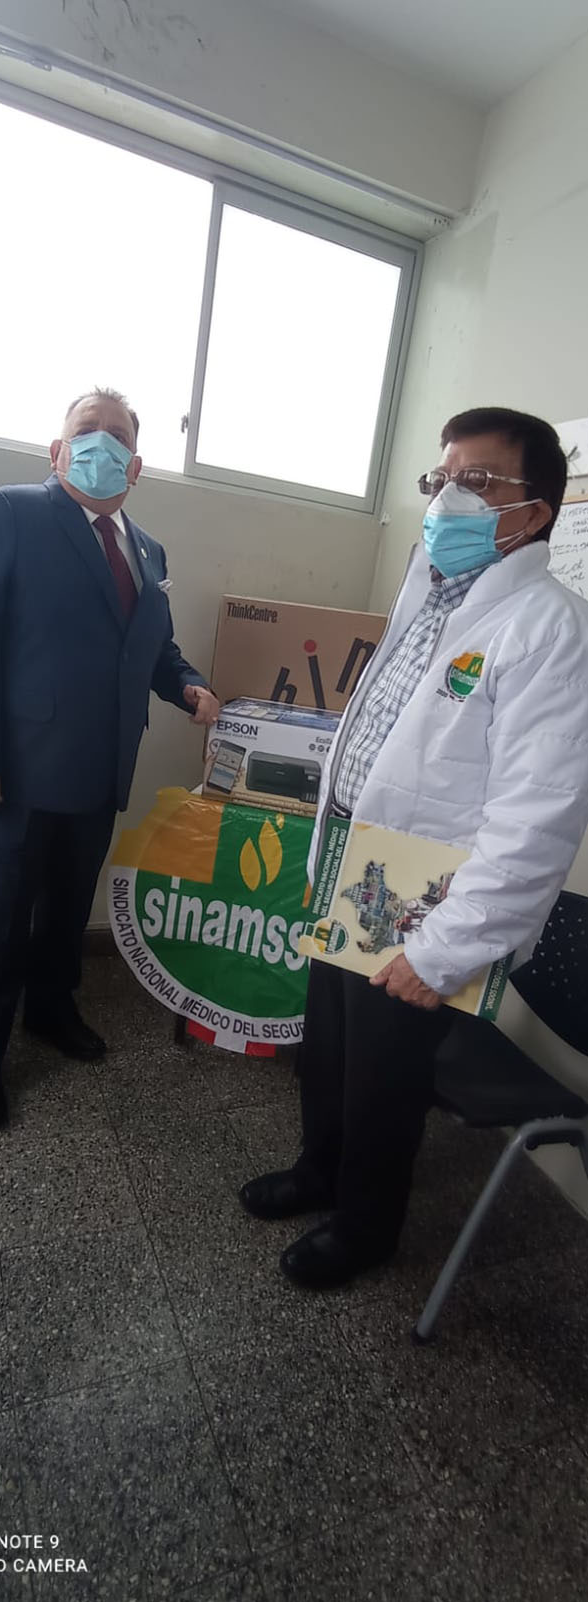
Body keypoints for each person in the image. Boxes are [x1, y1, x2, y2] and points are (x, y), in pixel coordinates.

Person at [241, 406, 588, 1289]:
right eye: (442, 478)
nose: (446, 498)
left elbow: (537, 817)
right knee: (329, 1045)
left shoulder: (550, 627)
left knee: (385, 1075)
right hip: (358, 866)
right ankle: (321, 1170)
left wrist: (443, 951)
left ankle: (367, 1227)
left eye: (477, 481)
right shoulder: (432, 589)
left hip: (430, 896)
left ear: (533, 512)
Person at [0, 387, 218, 1130]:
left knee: (66, 909)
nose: (102, 443)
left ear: (136, 465)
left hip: (100, 772)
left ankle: (51, 1012)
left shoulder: (147, 548)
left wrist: (187, 685)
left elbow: (152, 647)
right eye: (86, 430)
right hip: (16, 775)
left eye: (117, 435)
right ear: (57, 450)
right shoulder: (9, 513)